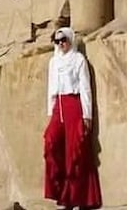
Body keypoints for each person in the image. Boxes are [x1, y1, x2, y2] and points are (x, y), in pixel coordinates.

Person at [43, 27, 102, 209]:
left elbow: (85, 88)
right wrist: (51, 112)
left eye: (63, 40)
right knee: (51, 142)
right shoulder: (54, 62)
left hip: (74, 105)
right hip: (58, 107)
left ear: (70, 39)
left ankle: (77, 198)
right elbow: (51, 89)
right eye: (57, 41)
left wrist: (87, 114)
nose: (61, 44)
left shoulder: (78, 60)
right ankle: (62, 192)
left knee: (75, 151)